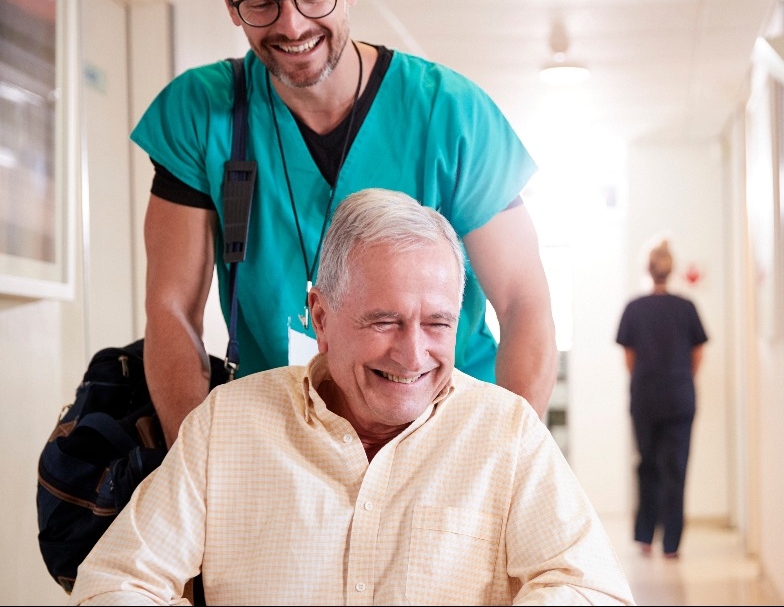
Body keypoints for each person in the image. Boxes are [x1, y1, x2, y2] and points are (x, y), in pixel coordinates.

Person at [69, 190, 635, 605]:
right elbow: (117, 584)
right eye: (385, 321)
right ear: (321, 317)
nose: (413, 355)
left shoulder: (505, 431)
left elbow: (592, 590)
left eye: (437, 324)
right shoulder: (228, 425)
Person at [138, 0, 558, 447]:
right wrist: (197, 463)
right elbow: (170, 308)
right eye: (260, 2)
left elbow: (524, 302)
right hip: (281, 435)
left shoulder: (451, 113)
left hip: (446, 432)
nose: (292, 25)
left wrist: (511, 461)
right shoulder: (201, 112)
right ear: (229, 1)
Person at [615, 239, 708, 559]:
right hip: (680, 397)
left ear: (648, 269)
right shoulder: (687, 308)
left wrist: (646, 380)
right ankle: (671, 543)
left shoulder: (634, 308)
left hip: (645, 398)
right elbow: (698, 353)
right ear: (672, 269)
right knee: (676, 469)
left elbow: (629, 358)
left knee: (647, 465)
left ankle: (644, 536)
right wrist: (681, 378)